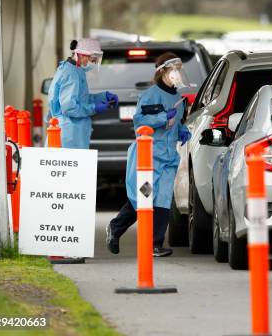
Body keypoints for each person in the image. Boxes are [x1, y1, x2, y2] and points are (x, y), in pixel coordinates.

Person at [106, 52, 191, 257]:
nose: (177, 74)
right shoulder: (149, 96)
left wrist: (181, 129)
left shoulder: (178, 97)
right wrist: (163, 117)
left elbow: (176, 122)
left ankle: (155, 244)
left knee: (162, 199)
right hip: (149, 158)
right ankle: (115, 228)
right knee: (144, 196)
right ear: (162, 72)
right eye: (173, 70)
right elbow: (140, 123)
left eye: (179, 70)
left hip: (169, 157)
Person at [46, 38, 119, 149]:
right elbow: (69, 108)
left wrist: (103, 97)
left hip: (72, 132)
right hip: (68, 133)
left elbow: (81, 99)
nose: (93, 63)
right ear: (81, 55)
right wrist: (94, 108)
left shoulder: (75, 70)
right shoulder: (71, 73)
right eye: (93, 59)